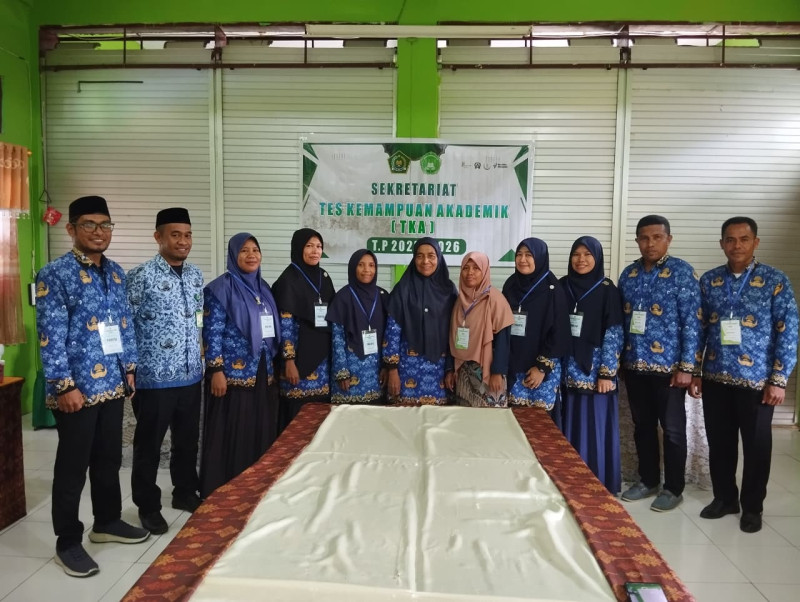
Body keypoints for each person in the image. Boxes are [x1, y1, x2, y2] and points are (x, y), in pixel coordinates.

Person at [35, 195, 149, 578]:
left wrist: (129, 369)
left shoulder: (115, 273)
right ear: (71, 229)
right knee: (73, 467)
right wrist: (63, 385)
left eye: (105, 225)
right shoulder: (54, 274)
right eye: (89, 224)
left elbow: (124, 324)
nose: (99, 232)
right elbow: (49, 335)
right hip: (77, 390)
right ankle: (68, 541)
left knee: (108, 459)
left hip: (113, 385)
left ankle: (107, 521)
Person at [689, 217, 798, 533]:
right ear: (722, 243)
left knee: (756, 447)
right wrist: (696, 371)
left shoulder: (775, 280)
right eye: (730, 239)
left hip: (757, 381)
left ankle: (752, 507)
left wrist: (779, 379)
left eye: (744, 239)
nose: (736, 245)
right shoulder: (710, 281)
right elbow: (700, 329)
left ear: (755, 242)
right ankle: (725, 499)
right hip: (716, 377)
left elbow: (788, 331)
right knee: (720, 443)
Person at [126, 208, 204, 535]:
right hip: (154, 378)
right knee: (149, 445)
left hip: (191, 374)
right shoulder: (141, 276)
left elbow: (198, 318)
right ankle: (148, 506)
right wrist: (128, 367)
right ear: (158, 237)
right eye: (175, 234)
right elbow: (125, 323)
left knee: (187, 441)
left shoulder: (196, 275)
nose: (183, 241)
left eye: (187, 235)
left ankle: (184, 491)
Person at [618, 215, 702, 512]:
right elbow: (621, 322)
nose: (650, 243)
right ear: (637, 240)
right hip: (635, 366)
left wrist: (687, 368)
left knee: (673, 430)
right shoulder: (628, 274)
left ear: (668, 239)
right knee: (642, 427)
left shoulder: (682, 273)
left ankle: (673, 488)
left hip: (670, 370)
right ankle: (648, 480)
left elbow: (693, 322)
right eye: (644, 238)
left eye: (656, 237)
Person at [200, 233, 281, 497]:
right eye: (244, 250)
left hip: (262, 370)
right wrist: (216, 370)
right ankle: (225, 487)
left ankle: (254, 486)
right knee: (234, 429)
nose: (251, 255)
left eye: (255, 250)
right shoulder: (219, 289)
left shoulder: (264, 288)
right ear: (234, 255)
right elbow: (211, 332)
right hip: (232, 375)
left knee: (258, 428)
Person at [559, 236, 625, 494]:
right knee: (569, 425)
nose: (581, 260)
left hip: (595, 374)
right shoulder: (562, 286)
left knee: (594, 426)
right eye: (576, 254)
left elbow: (614, 332)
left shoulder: (608, 290)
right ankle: (568, 480)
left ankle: (596, 482)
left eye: (588, 254)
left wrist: (607, 373)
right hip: (566, 371)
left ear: (597, 258)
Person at [272, 228, 335, 429]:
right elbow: (285, 324)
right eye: (309, 246)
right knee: (296, 420)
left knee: (319, 419)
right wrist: (289, 361)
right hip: (297, 361)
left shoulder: (324, 277)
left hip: (322, 362)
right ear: (298, 248)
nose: (315, 251)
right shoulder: (288, 280)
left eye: (319, 246)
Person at [501, 238, 570, 421]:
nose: (522, 259)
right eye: (519, 254)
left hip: (541, 371)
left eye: (529, 255)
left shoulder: (553, 289)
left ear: (540, 258)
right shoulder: (511, 285)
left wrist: (541, 368)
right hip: (514, 365)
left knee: (541, 424)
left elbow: (560, 332)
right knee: (513, 421)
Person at [384, 237, 458, 405]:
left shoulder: (449, 290)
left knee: (438, 419)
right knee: (405, 417)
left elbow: (454, 333)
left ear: (439, 258)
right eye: (419, 256)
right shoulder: (402, 289)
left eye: (431, 256)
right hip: (407, 369)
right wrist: (392, 370)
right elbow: (392, 331)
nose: (425, 261)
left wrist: (450, 368)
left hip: (439, 370)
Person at [449, 252, 514, 407]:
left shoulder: (495, 299)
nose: (470, 272)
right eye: (466, 268)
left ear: (484, 271)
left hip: (488, 371)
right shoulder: (460, 301)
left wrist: (497, 372)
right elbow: (452, 337)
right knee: (464, 416)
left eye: (476, 268)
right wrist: (451, 369)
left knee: (488, 418)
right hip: (464, 372)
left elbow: (503, 339)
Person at [327, 249, 389, 404]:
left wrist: (386, 366)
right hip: (350, 373)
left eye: (371, 265)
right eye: (361, 265)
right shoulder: (343, 297)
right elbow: (337, 338)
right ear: (353, 267)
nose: (367, 270)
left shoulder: (383, 296)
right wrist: (342, 372)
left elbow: (389, 336)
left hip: (376, 372)